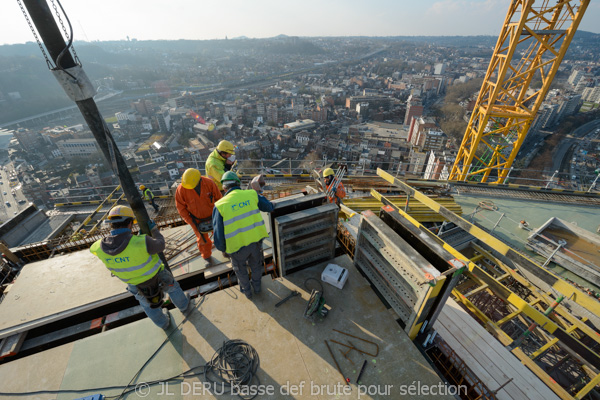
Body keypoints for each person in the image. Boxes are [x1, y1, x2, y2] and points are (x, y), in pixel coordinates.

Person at [90, 205, 192, 330]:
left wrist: (133, 239)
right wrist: (154, 231)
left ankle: (163, 324)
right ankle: (184, 307)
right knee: (173, 289)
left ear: (111, 224)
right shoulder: (142, 242)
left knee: (147, 305)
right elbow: (160, 245)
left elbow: (120, 249)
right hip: (157, 276)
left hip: (134, 284)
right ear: (130, 223)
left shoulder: (98, 247)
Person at [212, 172, 274, 299]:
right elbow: (269, 207)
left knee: (240, 271)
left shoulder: (220, 205)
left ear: (224, 188)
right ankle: (257, 288)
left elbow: (218, 236)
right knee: (256, 266)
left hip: (236, 248)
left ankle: (247, 292)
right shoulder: (251, 194)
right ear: (238, 184)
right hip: (255, 243)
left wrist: (224, 249)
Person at [175, 168, 222, 267]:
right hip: (196, 220)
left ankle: (224, 249)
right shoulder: (181, 189)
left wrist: (220, 215)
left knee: (220, 234)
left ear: (199, 179)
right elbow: (181, 208)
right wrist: (191, 222)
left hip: (214, 216)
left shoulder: (209, 183)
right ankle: (207, 257)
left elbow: (219, 199)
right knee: (202, 240)